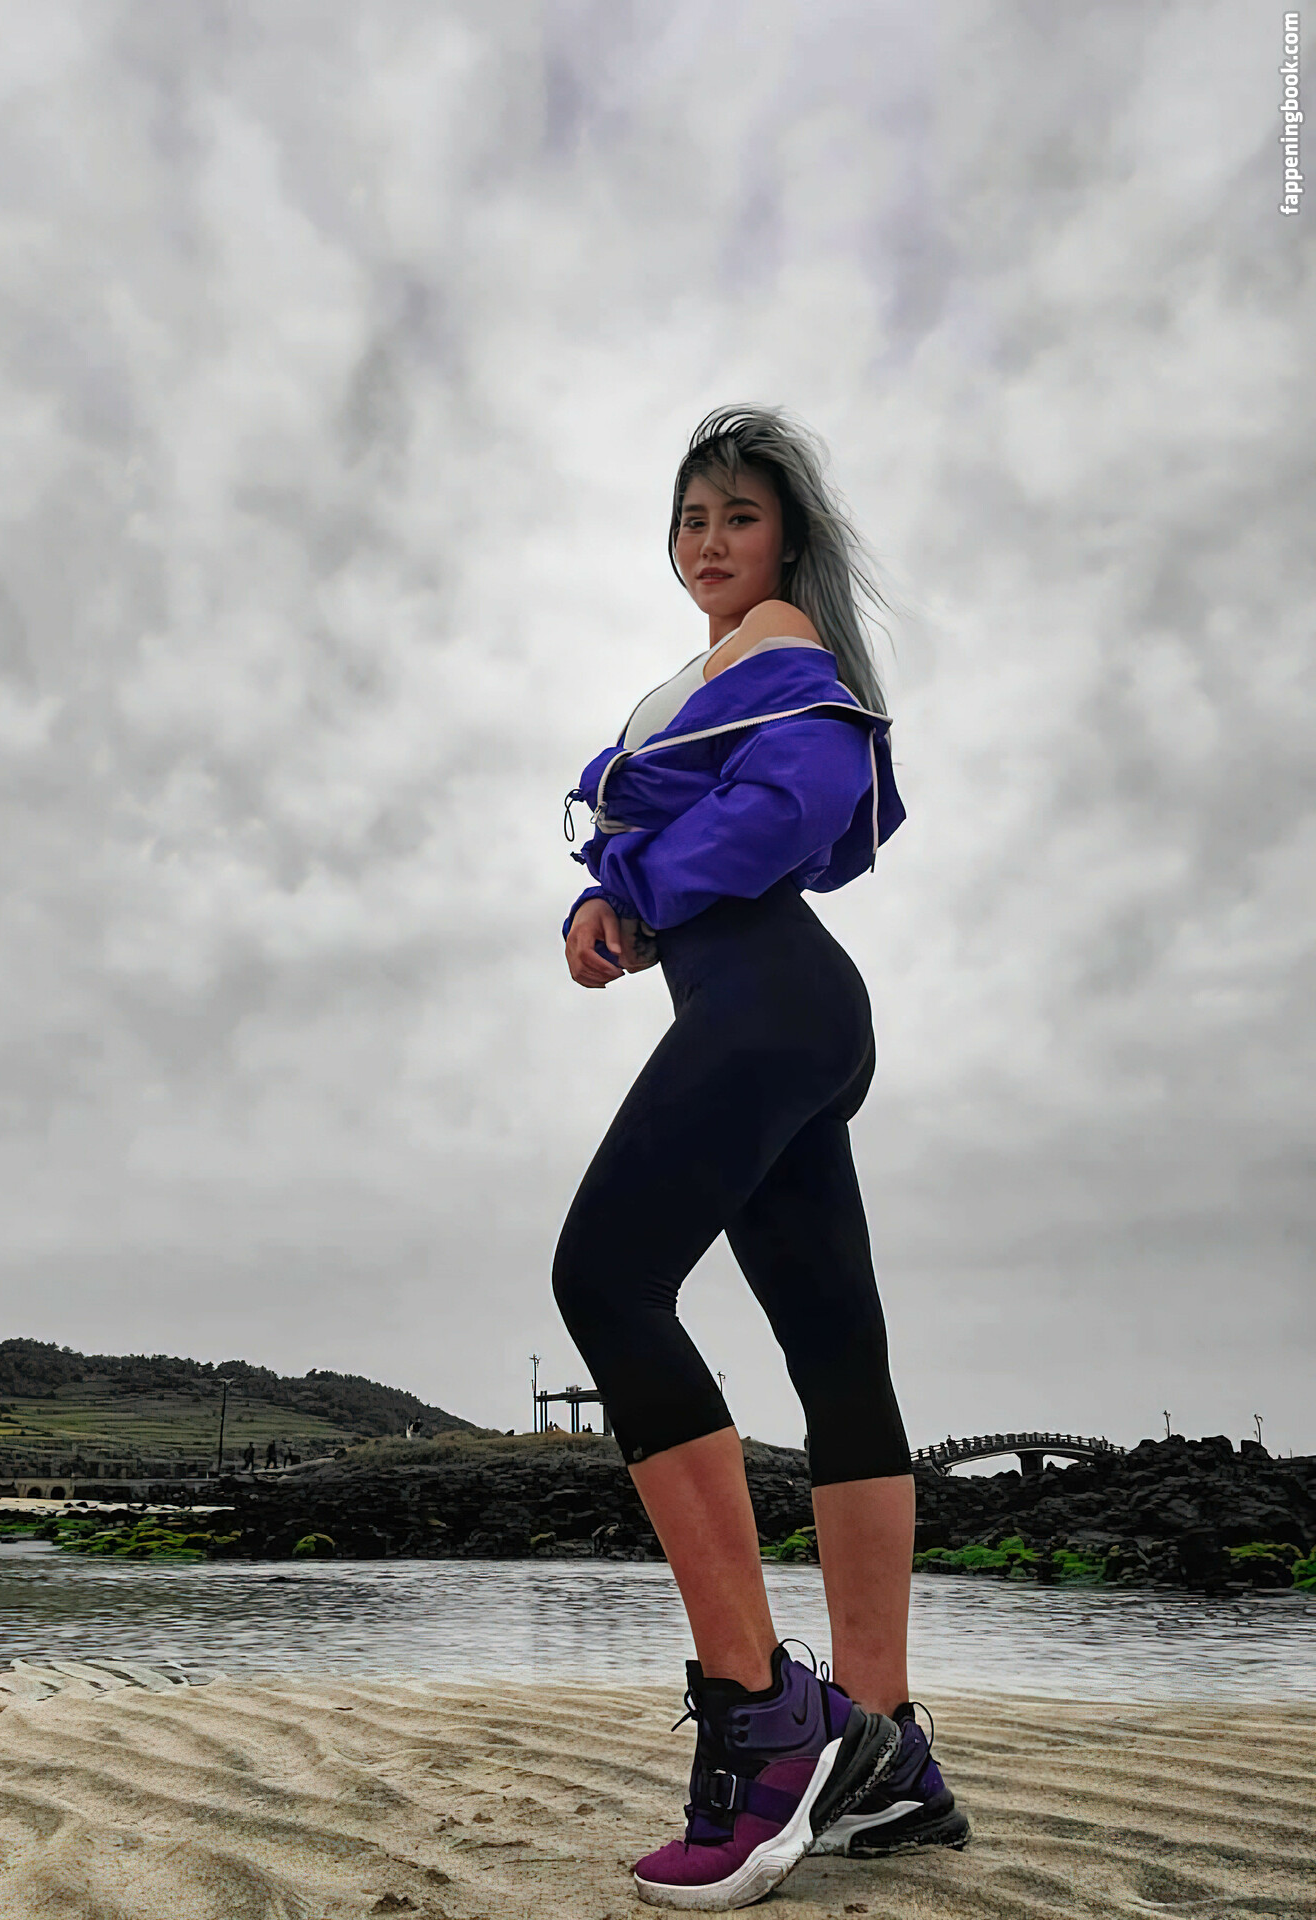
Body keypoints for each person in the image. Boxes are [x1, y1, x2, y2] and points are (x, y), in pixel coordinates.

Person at [554, 406, 967, 1909]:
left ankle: (762, 1714)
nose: (710, 540)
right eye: (691, 519)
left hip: (772, 1008)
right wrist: (609, 898)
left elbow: (800, 796)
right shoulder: (717, 666)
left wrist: (638, 888)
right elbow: (702, 823)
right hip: (793, 1013)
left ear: (786, 538)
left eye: (738, 514)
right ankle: (883, 1747)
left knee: (605, 1282)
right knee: (838, 1359)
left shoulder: (778, 643)